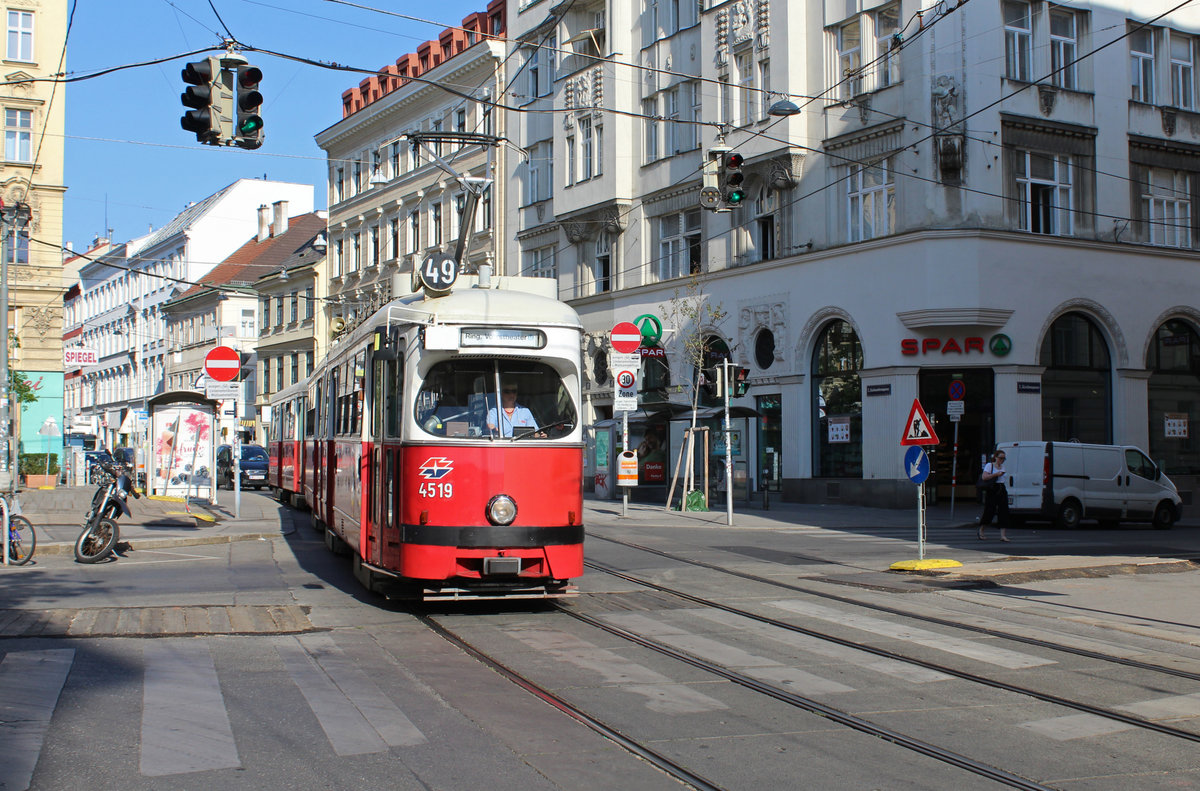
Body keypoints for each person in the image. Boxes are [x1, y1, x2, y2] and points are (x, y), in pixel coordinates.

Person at [978, 449, 1010, 542]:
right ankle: (981, 530)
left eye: (1004, 458)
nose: (1002, 460)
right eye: (1000, 458)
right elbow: (984, 477)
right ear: (995, 457)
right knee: (990, 510)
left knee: (1003, 510)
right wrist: (996, 474)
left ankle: (1003, 535)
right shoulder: (990, 465)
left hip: (1001, 488)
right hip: (993, 489)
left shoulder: (1003, 467)